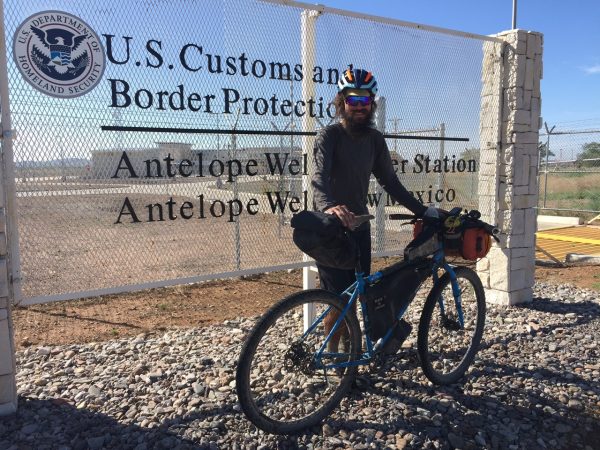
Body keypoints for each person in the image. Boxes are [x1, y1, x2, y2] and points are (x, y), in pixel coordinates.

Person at [311, 66, 430, 353]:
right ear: (342, 102)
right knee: (338, 300)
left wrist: (423, 211)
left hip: (359, 229)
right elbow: (318, 179)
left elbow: (390, 182)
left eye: (365, 101)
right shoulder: (329, 136)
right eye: (353, 100)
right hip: (330, 232)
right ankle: (333, 358)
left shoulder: (375, 140)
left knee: (359, 295)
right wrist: (330, 207)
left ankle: (353, 360)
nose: (360, 107)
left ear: (372, 104)